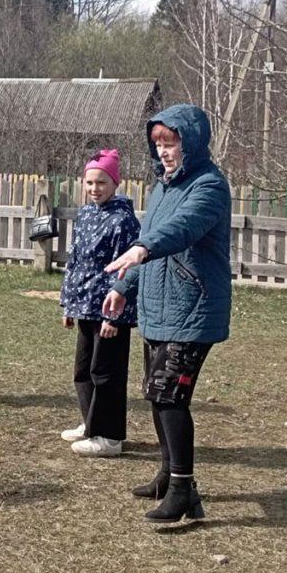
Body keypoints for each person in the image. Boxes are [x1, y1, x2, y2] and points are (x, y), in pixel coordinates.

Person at [103, 104, 232, 524]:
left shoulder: (208, 187)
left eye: (170, 142)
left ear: (190, 142)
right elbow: (148, 243)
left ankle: (182, 489)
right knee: (157, 396)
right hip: (158, 307)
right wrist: (124, 287)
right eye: (157, 143)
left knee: (169, 397)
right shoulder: (162, 188)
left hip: (193, 309)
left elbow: (179, 231)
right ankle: (168, 474)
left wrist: (142, 248)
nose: (164, 151)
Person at [60, 149, 140, 458]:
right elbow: (76, 260)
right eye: (90, 182)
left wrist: (114, 316)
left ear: (115, 183)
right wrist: (69, 303)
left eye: (102, 182)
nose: (95, 189)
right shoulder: (85, 214)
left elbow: (127, 270)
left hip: (110, 309)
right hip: (85, 304)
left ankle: (109, 436)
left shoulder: (123, 220)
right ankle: (90, 422)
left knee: (106, 372)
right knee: (83, 370)